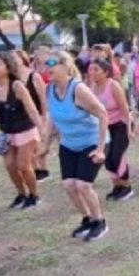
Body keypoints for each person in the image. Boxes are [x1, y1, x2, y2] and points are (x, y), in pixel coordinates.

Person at [39, 52, 110, 241]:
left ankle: (100, 222)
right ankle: (87, 220)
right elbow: (51, 118)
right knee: (69, 185)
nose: (46, 68)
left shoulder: (78, 89)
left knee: (83, 185)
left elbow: (103, 114)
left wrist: (101, 148)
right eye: (44, 64)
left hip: (92, 141)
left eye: (51, 63)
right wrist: (45, 144)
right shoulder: (49, 90)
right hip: (69, 143)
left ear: (65, 66)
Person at [0, 52, 46, 209]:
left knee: (23, 165)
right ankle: (22, 194)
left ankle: (34, 195)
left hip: (26, 130)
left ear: (8, 67)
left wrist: (41, 131)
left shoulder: (17, 85)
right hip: (6, 132)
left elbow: (32, 110)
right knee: (10, 166)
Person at [90, 57, 134, 200]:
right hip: (103, 127)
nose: (93, 72)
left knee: (117, 156)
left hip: (119, 124)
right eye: (91, 69)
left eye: (96, 70)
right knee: (107, 158)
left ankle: (126, 187)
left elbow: (124, 109)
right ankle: (117, 186)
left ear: (105, 72)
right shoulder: (92, 88)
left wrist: (129, 129)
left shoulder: (113, 85)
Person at [15, 49, 50, 182]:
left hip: (38, 113)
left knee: (39, 143)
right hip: (22, 116)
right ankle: (36, 170)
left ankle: (43, 168)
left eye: (15, 58)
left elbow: (42, 98)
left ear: (22, 59)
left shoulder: (33, 75)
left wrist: (44, 116)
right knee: (29, 146)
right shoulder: (13, 77)